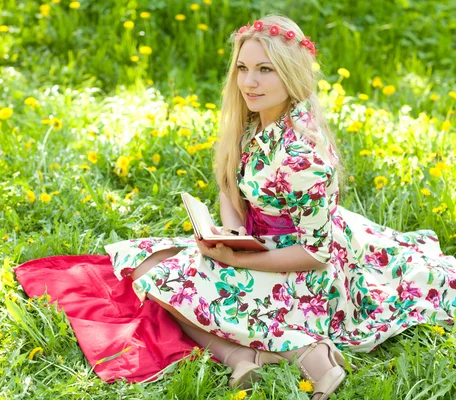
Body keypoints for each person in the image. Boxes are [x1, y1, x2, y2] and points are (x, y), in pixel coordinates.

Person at [104, 14, 456, 400]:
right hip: (258, 245)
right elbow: (229, 185)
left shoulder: (302, 155)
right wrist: (233, 230)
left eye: (264, 69)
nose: (249, 82)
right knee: (145, 262)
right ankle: (244, 357)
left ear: (290, 73)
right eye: (243, 68)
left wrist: (238, 261)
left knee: (165, 278)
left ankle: (305, 352)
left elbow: (315, 254)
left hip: (304, 270)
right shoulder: (256, 122)